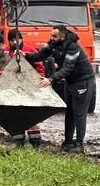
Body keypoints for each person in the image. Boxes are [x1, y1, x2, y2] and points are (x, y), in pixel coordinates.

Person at [27, 24, 95, 152]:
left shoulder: (73, 48)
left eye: (54, 36)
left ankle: (79, 144)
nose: (51, 38)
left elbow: (67, 69)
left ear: (62, 36)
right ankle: (68, 141)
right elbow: (40, 55)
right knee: (69, 112)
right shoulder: (52, 44)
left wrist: (51, 79)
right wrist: (26, 56)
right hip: (70, 82)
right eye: (51, 35)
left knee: (79, 113)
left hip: (83, 81)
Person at [5, 28, 43, 148]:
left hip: (29, 88)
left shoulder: (30, 50)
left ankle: (36, 143)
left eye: (17, 40)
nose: (15, 43)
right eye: (12, 41)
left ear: (21, 39)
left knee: (31, 116)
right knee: (15, 116)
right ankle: (18, 142)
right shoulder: (5, 52)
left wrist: (39, 80)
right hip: (12, 89)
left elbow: (40, 67)